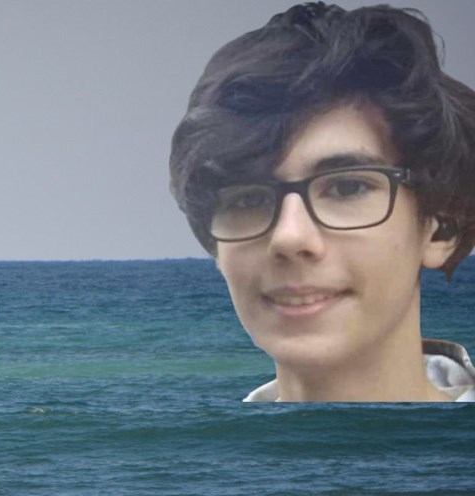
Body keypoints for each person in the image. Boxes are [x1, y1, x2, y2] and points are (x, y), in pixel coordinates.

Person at [169, 2, 475, 402]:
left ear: (441, 225)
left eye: (347, 188)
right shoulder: (187, 461)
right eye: (247, 200)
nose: (289, 236)